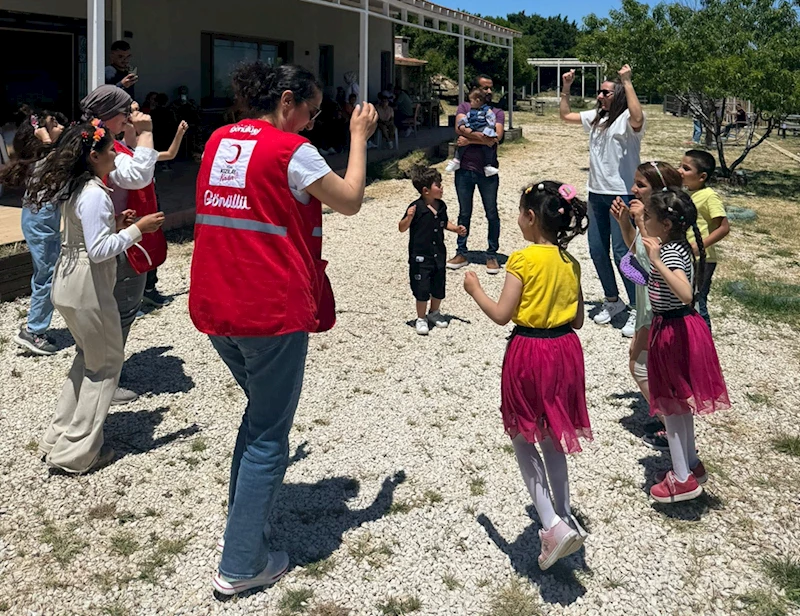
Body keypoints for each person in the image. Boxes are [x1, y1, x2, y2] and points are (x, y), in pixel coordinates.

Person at [190, 61, 376, 596]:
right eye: (312, 112)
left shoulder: (219, 139)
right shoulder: (291, 149)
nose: (313, 122)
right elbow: (351, 200)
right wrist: (357, 137)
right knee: (270, 432)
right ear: (288, 100)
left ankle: (246, 520)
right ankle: (242, 563)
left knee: (259, 417)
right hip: (267, 308)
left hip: (215, 303)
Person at [463, 181, 591, 570]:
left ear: (531, 217)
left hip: (530, 352)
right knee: (553, 435)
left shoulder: (522, 260)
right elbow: (580, 319)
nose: (518, 219)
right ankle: (565, 513)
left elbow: (502, 313)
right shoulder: (571, 262)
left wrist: (474, 290)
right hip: (565, 350)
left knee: (522, 436)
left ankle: (551, 524)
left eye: (520, 212)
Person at [28, 122, 164, 474]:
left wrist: (117, 223)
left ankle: (59, 435)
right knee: (105, 367)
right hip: (87, 285)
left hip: (68, 281)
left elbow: (89, 234)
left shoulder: (78, 189)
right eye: (111, 150)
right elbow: (100, 250)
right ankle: (77, 452)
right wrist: (138, 229)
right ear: (93, 156)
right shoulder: (94, 193)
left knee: (87, 358)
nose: (117, 153)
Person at [641, 189, 730, 503]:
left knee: (673, 406)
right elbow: (640, 271)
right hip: (675, 327)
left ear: (665, 224)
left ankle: (681, 480)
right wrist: (632, 227)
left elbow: (685, 293)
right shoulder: (674, 244)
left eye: (648, 218)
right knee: (679, 405)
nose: (644, 222)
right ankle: (691, 465)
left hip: (675, 329)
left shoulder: (670, 253)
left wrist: (656, 260)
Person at [80, 84, 160, 406]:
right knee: (120, 312)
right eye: (125, 112)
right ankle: (107, 381)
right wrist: (146, 132)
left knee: (102, 314)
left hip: (98, 233)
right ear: (110, 115)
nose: (130, 117)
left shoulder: (83, 137)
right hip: (113, 243)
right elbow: (138, 175)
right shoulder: (100, 145)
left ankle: (97, 372)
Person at [559, 64, 645, 338]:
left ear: (617, 95)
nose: (600, 96)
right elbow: (565, 116)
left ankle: (639, 308)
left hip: (621, 194)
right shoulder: (597, 117)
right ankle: (613, 300)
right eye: (599, 92)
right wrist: (566, 88)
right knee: (597, 249)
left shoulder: (627, 123)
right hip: (596, 193)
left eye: (605, 92)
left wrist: (627, 81)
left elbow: (638, 115)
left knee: (623, 254)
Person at [611, 161, 683, 452]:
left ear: (660, 190)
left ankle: (672, 428)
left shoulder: (663, 228)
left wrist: (639, 221)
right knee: (647, 364)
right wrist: (624, 223)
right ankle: (671, 422)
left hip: (658, 307)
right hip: (647, 305)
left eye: (641, 184)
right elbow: (636, 250)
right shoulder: (652, 220)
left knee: (639, 364)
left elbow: (655, 259)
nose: (633, 189)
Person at [0, 108, 66, 355]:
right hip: (40, 223)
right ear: (41, 137)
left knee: (48, 272)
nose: (59, 125)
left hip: (40, 220)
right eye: (53, 124)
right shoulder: (44, 159)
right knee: (47, 275)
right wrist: (46, 140)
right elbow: (58, 162)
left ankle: (36, 324)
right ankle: (34, 331)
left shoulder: (43, 158)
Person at [446, 75, 505, 275]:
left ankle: (491, 254)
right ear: (474, 89)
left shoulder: (497, 112)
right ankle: (461, 252)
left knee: (492, 213)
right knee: (464, 212)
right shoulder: (464, 107)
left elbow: (497, 137)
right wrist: (483, 139)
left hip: (488, 171)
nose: (489, 92)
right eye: (484, 88)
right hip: (465, 169)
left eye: (491, 88)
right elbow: (457, 129)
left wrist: (469, 140)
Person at [399, 166, 466, 335]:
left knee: (438, 285)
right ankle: (420, 318)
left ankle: (434, 313)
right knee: (422, 288)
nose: (442, 188)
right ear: (426, 190)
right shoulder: (416, 208)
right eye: (438, 185)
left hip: (439, 254)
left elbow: (444, 223)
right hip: (420, 257)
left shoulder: (441, 206)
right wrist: (408, 217)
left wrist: (456, 229)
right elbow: (401, 228)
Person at [679, 150, 730, 333]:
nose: (680, 171)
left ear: (702, 176)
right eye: (680, 166)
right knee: (684, 300)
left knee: (698, 301)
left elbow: (723, 227)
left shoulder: (709, 196)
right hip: (685, 257)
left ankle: (704, 339)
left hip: (702, 259)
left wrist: (699, 247)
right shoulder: (687, 194)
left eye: (686, 168)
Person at [445, 87, 499, 177]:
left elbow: (491, 121)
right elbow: (466, 118)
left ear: (477, 101)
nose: (470, 103)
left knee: (488, 148)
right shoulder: (471, 111)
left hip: (483, 129)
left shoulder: (487, 111)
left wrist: (487, 132)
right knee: (461, 143)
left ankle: (488, 165)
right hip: (472, 128)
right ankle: (456, 160)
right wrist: (462, 125)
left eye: (471, 101)